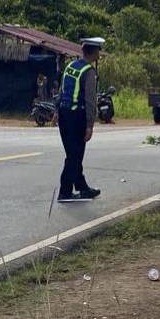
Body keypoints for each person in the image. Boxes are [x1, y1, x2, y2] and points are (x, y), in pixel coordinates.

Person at [56, 37, 104, 202]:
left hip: (64, 114)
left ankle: (82, 187)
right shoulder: (88, 72)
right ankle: (65, 191)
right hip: (77, 117)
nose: (100, 53)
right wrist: (90, 125)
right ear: (94, 52)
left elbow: (62, 91)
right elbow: (90, 100)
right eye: (99, 50)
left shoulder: (71, 66)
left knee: (72, 154)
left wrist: (57, 111)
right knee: (75, 155)